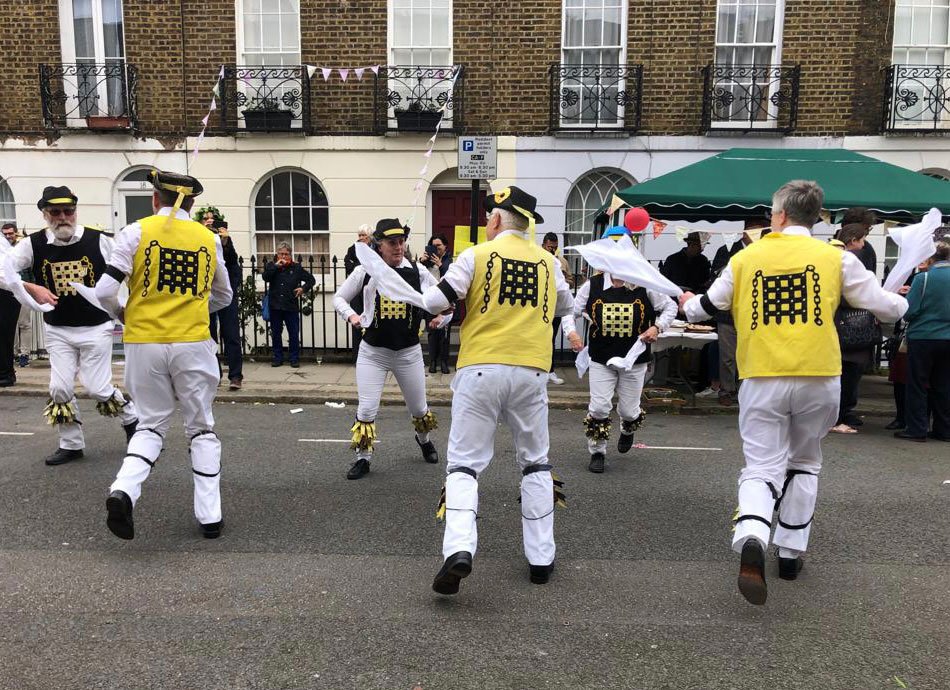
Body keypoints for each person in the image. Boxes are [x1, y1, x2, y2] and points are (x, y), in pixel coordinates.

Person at [680, 180, 907, 605]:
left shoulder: (747, 258)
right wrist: (903, 302)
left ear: (780, 215)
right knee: (805, 461)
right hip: (819, 374)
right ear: (816, 217)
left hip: (762, 375)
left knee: (761, 466)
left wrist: (689, 301)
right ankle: (790, 552)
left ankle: (752, 532)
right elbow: (885, 305)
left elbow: (703, 307)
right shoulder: (836, 258)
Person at [361, 186, 582, 594]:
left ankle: (460, 549)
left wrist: (397, 282)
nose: (485, 221)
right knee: (536, 463)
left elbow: (433, 301)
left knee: (464, 464)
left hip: (481, 368)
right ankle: (540, 559)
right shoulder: (550, 263)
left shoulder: (475, 256)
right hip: (532, 372)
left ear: (498, 219)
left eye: (488, 216)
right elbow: (567, 307)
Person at [95, 169, 232, 540]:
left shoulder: (136, 231)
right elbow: (225, 295)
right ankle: (210, 516)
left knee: (151, 424)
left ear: (156, 198)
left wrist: (123, 313)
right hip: (193, 342)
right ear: (191, 202)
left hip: (144, 342)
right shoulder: (208, 238)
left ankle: (124, 489)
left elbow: (105, 290)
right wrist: (195, 306)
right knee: (201, 426)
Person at [1, 186, 139, 465]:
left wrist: (125, 307)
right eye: (55, 212)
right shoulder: (33, 244)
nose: (63, 217)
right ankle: (71, 444)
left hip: (96, 327)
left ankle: (133, 421)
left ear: (75, 212)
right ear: (45, 214)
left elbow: (130, 269)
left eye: (68, 211)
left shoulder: (98, 240)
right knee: (60, 389)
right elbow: (3, 269)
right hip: (58, 329)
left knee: (98, 388)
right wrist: (30, 287)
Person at [332, 219, 448, 480]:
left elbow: (442, 300)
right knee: (366, 410)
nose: (398, 247)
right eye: (391, 243)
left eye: (401, 242)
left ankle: (424, 440)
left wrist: (441, 318)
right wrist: (352, 316)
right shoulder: (366, 272)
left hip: (408, 353)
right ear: (379, 246)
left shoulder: (418, 272)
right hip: (373, 353)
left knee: (419, 408)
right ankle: (363, 458)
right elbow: (338, 297)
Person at [574, 227, 677, 473]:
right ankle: (597, 451)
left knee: (629, 410)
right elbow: (571, 310)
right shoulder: (593, 285)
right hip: (601, 356)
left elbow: (670, 308)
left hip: (635, 359)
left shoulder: (644, 283)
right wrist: (571, 332)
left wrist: (657, 327)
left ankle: (628, 427)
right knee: (599, 407)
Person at [895, 240, 950, 442]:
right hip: (948, 337)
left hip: (923, 336)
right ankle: (944, 429)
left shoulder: (923, 278)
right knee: (943, 384)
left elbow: (910, 312)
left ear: (929, 257)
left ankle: (916, 428)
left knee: (917, 384)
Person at [830, 224, 881, 434]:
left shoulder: (839, 258)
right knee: (846, 374)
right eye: (861, 240)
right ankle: (839, 416)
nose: (863, 244)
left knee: (846, 374)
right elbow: (850, 294)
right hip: (847, 327)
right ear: (852, 240)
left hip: (843, 327)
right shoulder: (845, 260)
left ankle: (843, 413)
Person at [709, 223, 763, 406]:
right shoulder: (727, 250)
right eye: (754, 231)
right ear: (745, 233)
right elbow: (714, 277)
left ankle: (745, 391)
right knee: (727, 355)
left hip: (752, 312)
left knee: (750, 354)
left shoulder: (764, 252)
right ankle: (726, 390)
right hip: (727, 313)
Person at [262, 242, 315, 368]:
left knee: (293, 333)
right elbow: (265, 277)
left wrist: (303, 289)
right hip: (275, 305)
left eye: (286, 254)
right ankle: (277, 357)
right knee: (276, 333)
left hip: (290, 305)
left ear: (290, 255)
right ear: (277, 254)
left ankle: (294, 358)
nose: (284, 256)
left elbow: (311, 279)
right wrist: (276, 266)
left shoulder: (296, 268)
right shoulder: (271, 266)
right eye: (281, 254)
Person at [208, 219, 243, 390]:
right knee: (209, 337)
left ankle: (235, 376)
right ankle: (215, 375)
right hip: (207, 296)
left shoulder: (227, 246)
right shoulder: (200, 242)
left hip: (225, 296)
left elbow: (233, 265)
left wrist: (225, 242)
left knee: (231, 335)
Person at [541, 231, 574, 385]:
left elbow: (570, 280)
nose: (553, 250)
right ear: (543, 245)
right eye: (550, 247)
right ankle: (539, 370)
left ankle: (550, 371)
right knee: (539, 338)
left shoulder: (561, 261)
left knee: (551, 339)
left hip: (557, 306)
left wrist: (564, 283)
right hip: (540, 306)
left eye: (555, 247)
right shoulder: (538, 258)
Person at [420, 234, 453, 374]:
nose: (436, 248)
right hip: (430, 300)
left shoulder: (449, 261)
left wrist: (441, 265)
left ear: (445, 246)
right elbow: (419, 277)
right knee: (432, 333)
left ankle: (444, 362)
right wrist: (422, 263)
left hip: (446, 301)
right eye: (434, 245)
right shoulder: (426, 261)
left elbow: (451, 279)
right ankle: (433, 362)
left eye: (439, 245)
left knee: (444, 335)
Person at [344, 225, 373, 359]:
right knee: (357, 323)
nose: (360, 238)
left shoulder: (375, 249)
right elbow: (347, 264)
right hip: (357, 291)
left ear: (370, 237)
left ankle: (370, 356)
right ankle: (357, 356)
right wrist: (360, 268)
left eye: (363, 235)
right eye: (359, 235)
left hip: (371, 290)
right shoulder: (352, 249)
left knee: (372, 322)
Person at [0, 222, 20, 386]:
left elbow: (5, 274)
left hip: (7, 293)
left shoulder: (4, 246)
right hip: (8, 292)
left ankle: (5, 374)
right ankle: (6, 373)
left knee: (5, 335)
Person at [840, 207, 878, 274]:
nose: (867, 232)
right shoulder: (865, 249)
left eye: (868, 229)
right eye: (865, 229)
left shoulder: (867, 249)